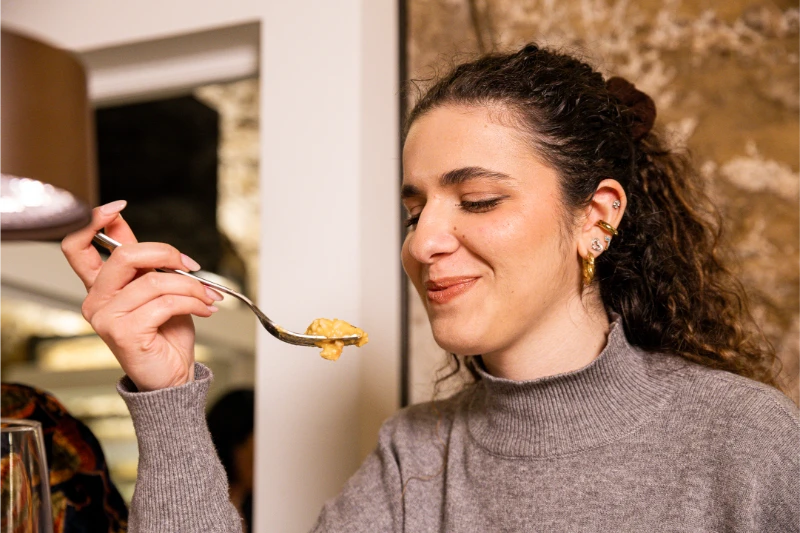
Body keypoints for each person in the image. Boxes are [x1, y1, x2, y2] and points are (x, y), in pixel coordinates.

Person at [61, 43, 800, 532]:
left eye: (477, 199)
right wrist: (168, 394)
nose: (422, 242)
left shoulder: (746, 441)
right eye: (414, 211)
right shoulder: (414, 458)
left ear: (596, 216)